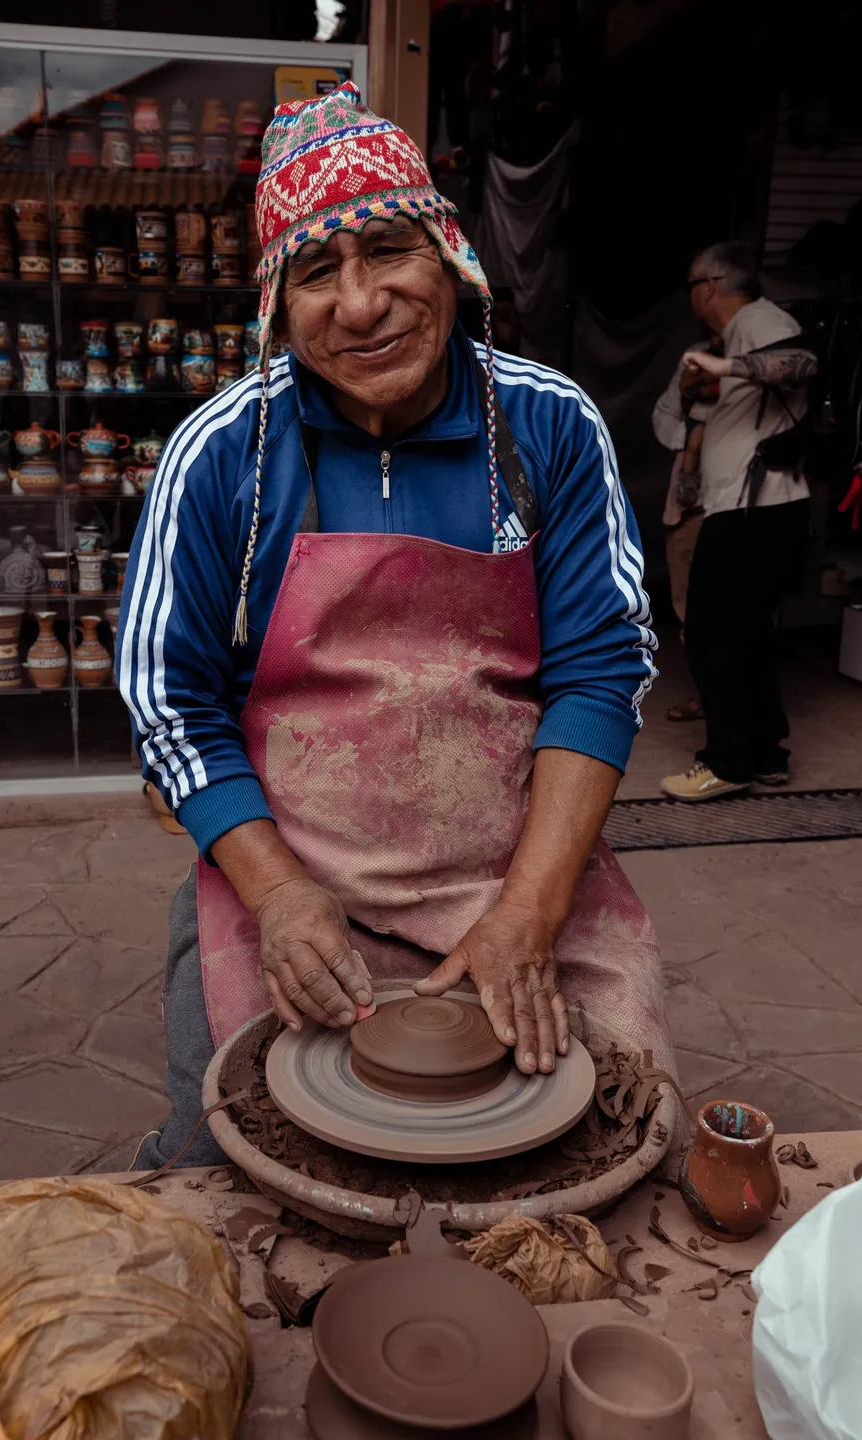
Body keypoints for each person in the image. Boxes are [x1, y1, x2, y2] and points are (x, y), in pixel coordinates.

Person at [118, 82, 672, 1170]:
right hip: (289, 873)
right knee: (219, 1157)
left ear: (450, 259)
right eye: (315, 272)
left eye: (386, 251)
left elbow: (599, 671)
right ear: (275, 305)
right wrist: (276, 894)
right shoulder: (224, 451)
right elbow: (168, 702)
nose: (360, 303)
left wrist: (526, 912)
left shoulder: (547, 424)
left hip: (511, 870)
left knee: (616, 1139)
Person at [661, 242, 817, 802]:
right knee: (748, 637)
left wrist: (724, 366)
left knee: (713, 635)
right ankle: (767, 755)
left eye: (691, 288)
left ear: (710, 286)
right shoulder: (738, 334)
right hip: (747, 509)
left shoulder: (760, 318)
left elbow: (804, 364)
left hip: (757, 511)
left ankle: (727, 762)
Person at [652, 338, 721, 722]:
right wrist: (687, 410)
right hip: (689, 509)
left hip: (731, 507)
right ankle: (709, 696)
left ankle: (726, 707)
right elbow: (664, 425)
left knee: (726, 617)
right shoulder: (695, 354)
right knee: (690, 615)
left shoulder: (751, 366)